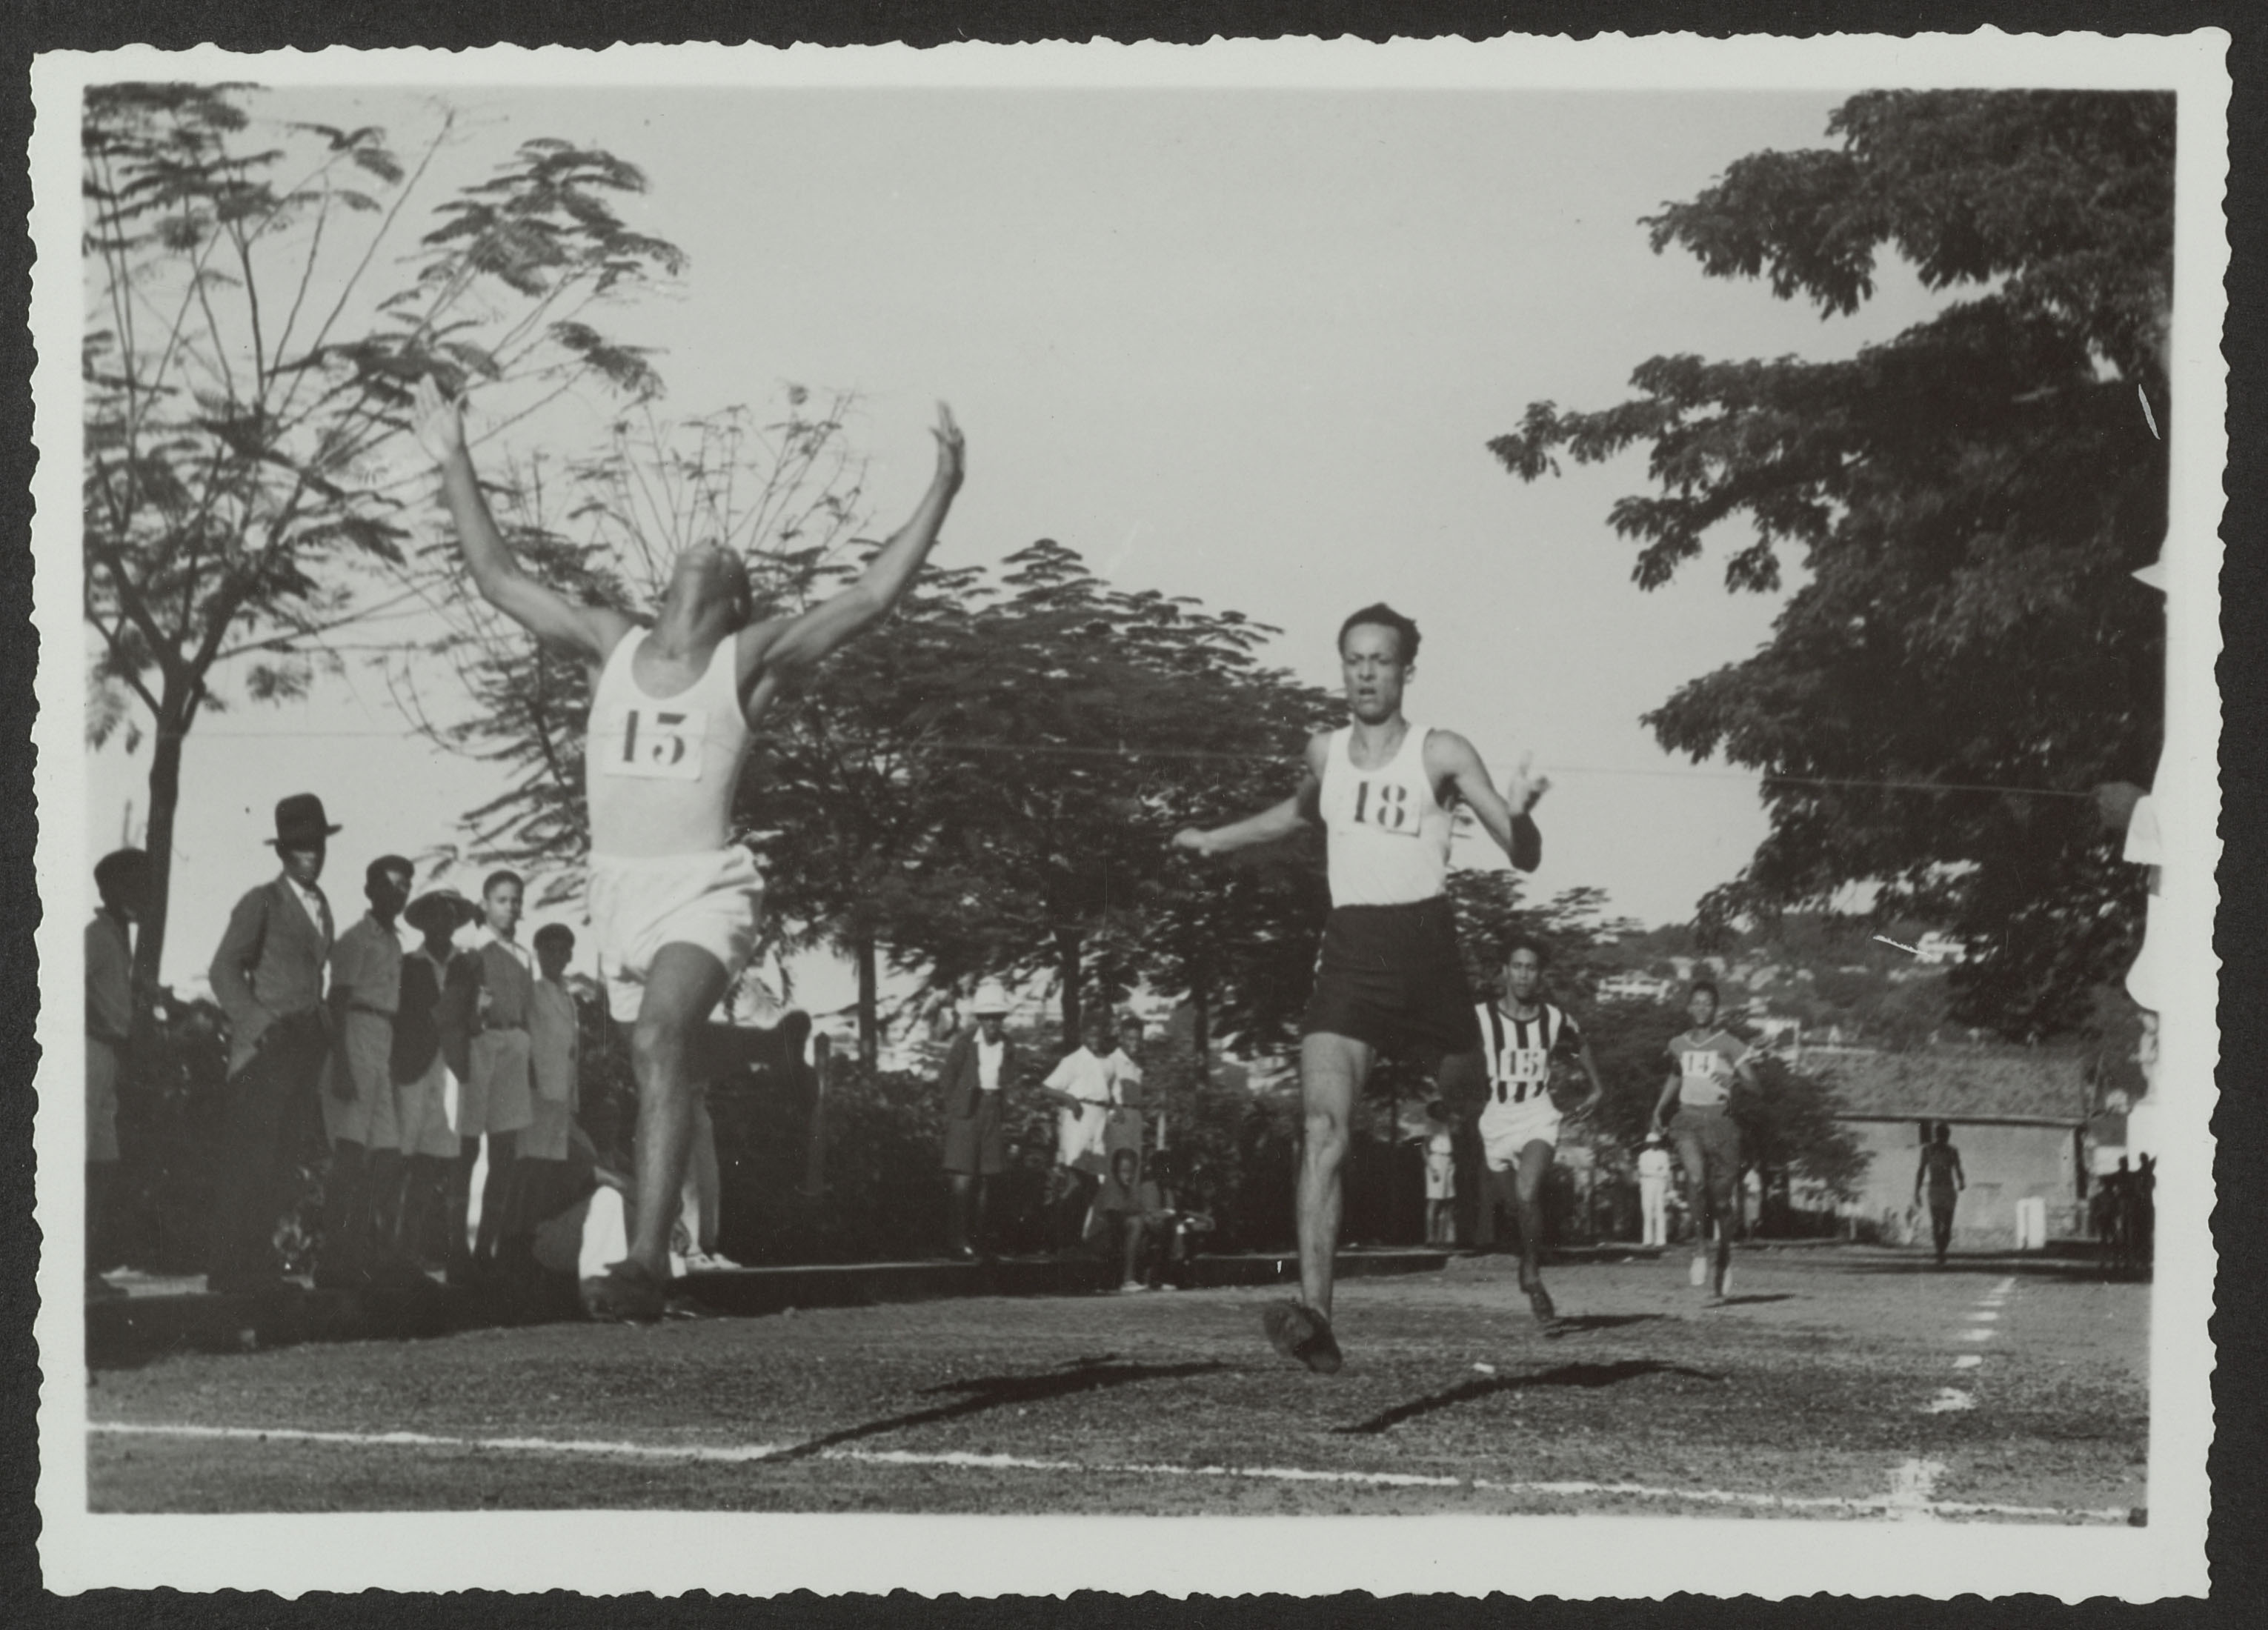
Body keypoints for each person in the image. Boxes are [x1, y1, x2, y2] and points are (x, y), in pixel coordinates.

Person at [417, 377, 964, 1320]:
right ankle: (749, 1058)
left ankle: (644, 1265)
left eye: (725, 552)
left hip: (704, 889)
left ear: (734, 598)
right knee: (654, 1058)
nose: (709, 538)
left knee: (655, 1038)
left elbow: (871, 595)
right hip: (617, 892)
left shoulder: (745, 662)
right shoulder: (607, 642)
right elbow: (500, 577)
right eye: (699, 542)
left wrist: (944, 484)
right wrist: (455, 456)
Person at [1173, 603, 1546, 1373]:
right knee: (1321, 1129)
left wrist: (1522, 813)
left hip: (1428, 952)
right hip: (1349, 955)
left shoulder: (1440, 751)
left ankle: (1500, 1191)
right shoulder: (1325, 751)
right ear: (1341, 665)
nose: (1366, 672)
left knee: (1468, 1100)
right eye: (1354, 659)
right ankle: (1316, 1315)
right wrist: (1216, 838)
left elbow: (1522, 854)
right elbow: (1298, 814)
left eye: (1381, 659)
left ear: (1407, 668)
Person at [207, 794, 341, 1294]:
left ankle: (259, 1265)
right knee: (250, 1160)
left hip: (304, 1051)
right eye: (301, 847)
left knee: (283, 1161)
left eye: (318, 845)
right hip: (264, 1053)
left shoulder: (321, 904)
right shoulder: (261, 900)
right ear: (283, 851)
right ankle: (227, 1271)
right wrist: (259, 1024)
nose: (312, 855)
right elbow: (224, 968)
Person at [1472, 937, 1605, 1322]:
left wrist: (1597, 1087)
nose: (1523, 975)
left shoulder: (1553, 1018)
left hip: (1537, 1113)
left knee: (1528, 1191)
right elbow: (1453, 1056)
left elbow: (1580, 1043)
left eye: (1531, 968)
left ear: (1540, 976)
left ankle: (1532, 1272)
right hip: (1497, 1118)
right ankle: (1526, 1260)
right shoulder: (1480, 1016)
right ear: (1504, 972)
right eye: (1517, 966)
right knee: (1515, 1207)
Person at [319, 854, 420, 1288]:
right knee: (349, 1154)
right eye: (390, 885)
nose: (398, 894)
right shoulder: (355, 939)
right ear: (369, 890)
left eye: (405, 887)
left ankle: (371, 1251)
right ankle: (333, 1257)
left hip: (382, 1042)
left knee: (389, 1155)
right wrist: (341, 1063)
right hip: (354, 1039)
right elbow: (335, 1003)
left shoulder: (396, 943)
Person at [439, 871, 539, 1285]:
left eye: (516, 900)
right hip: (480, 1045)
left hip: (514, 1043)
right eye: (502, 900)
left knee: (504, 1150)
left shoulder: (523, 955)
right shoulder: (468, 951)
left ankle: (487, 1249)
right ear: (484, 905)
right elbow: (452, 1010)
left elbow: (528, 1010)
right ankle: (456, 1247)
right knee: (466, 1148)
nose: (511, 907)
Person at [1649, 979, 1761, 1304]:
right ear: (1688, 1007)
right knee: (1696, 1181)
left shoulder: (1730, 1044)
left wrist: (1735, 1081)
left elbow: (1756, 1086)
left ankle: (1724, 1256)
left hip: (1722, 1125)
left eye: (1707, 1003)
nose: (1701, 1008)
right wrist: (1658, 1108)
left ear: (1715, 1009)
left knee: (1723, 1203)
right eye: (1695, 1002)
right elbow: (1676, 1074)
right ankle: (1700, 1247)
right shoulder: (1679, 1043)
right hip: (1687, 1121)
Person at [390, 890, 479, 1273]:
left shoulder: (468, 966)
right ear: (423, 923)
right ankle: (390, 1250)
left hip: (451, 1072)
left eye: (448, 916)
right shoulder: (407, 964)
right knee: (401, 1158)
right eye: (434, 916)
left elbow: (478, 1011)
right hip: (412, 1069)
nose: (441, 923)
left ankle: (411, 1251)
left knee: (432, 1162)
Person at [86, 848, 150, 1300]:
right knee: (83, 1162)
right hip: (88, 1052)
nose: (138, 895)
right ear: (109, 888)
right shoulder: (95, 934)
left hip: (108, 1056)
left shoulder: (117, 937)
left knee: (104, 1164)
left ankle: (87, 1269)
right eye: (130, 885)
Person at [939, 981, 1020, 1260]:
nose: (992, 1024)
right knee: (963, 1180)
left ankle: (981, 1241)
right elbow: (947, 1078)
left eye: (997, 1018)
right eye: (987, 1018)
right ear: (980, 1019)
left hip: (992, 1110)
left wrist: (1004, 1111)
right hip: (966, 1113)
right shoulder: (964, 1043)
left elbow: (1009, 1079)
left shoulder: (1008, 1045)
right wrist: (956, 1110)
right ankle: (957, 1242)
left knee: (989, 1178)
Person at [1039, 1009, 1120, 1253]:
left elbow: (1108, 1093)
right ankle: (1062, 1239)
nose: (1096, 1038)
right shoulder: (1073, 1060)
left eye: (1100, 1033)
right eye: (1091, 1033)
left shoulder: (1108, 1062)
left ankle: (1074, 1236)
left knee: (1093, 1183)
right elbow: (1046, 1088)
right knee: (1076, 1179)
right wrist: (1069, 1099)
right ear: (1084, 1034)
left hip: (1099, 1120)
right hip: (1078, 1118)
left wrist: (1116, 1109)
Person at [1090, 1147, 1166, 1293]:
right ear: (1115, 1170)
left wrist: (1149, 1219)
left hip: (1115, 1235)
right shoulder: (1111, 1186)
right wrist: (1143, 1219)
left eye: (1131, 1171)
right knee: (1136, 1223)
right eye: (1124, 1171)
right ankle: (1127, 1279)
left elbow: (1139, 1210)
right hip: (1099, 1237)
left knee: (1151, 1224)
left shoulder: (1129, 1189)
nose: (1129, 1176)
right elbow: (1114, 1218)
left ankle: (1152, 1279)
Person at [1914, 1121, 1966, 1267]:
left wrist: (1961, 1181)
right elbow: (1921, 1170)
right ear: (1938, 1135)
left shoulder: (1952, 1151)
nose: (1945, 1137)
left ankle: (1942, 1250)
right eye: (1943, 1135)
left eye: (1946, 1135)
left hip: (1948, 1189)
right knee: (1937, 1223)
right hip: (1935, 1189)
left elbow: (1958, 1167)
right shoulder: (1927, 1150)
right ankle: (1940, 1253)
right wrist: (1917, 1191)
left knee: (1947, 1225)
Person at [1105, 1014, 1149, 1157]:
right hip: (1118, 1120)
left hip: (1135, 1120)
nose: (1135, 1043)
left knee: (1133, 1163)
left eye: (1138, 1039)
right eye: (1130, 1039)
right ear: (1121, 1039)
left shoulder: (1137, 1066)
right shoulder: (1112, 1061)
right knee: (1118, 1163)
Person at [1422, 1102, 1457, 1248]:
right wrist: (1431, 1168)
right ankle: (1430, 1238)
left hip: (1449, 1161)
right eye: (1439, 1110)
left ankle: (1444, 1238)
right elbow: (1423, 1148)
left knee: (1449, 1201)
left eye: (1444, 1109)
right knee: (1434, 1201)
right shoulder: (1431, 1125)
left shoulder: (1447, 1125)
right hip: (1436, 1161)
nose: (1443, 1111)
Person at [1636, 1133, 1673, 1248]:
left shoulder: (1663, 1155)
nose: (1654, 1144)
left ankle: (1661, 1240)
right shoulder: (1643, 1155)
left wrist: (1655, 1172)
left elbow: (1666, 1171)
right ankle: (1648, 1239)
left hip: (1659, 1183)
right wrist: (1656, 1171)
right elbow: (1642, 1171)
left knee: (1660, 1210)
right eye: (1652, 1143)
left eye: (1656, 1142)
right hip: (1647, 1183)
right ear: (1648, 1143)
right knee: (1647, 1210)